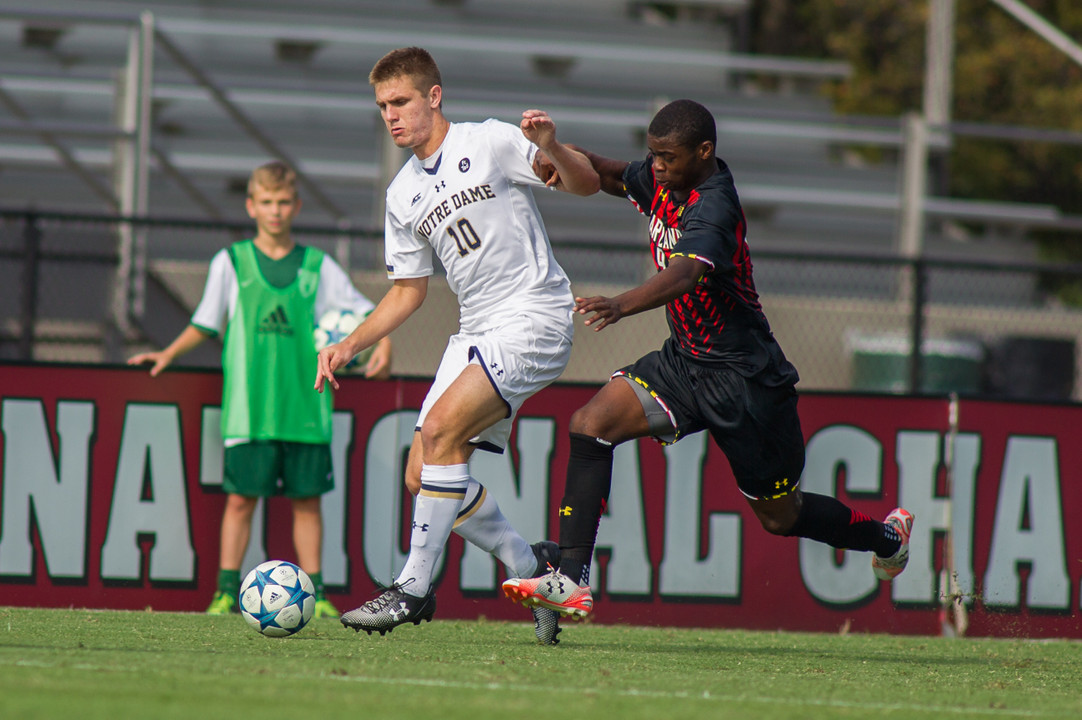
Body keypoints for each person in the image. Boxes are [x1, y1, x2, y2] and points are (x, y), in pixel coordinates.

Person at [501, 99, 914, 625]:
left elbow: (685, 274)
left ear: (704, 151)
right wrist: (552, 148)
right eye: (652, 156)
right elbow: (604, 171)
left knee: (780, 517)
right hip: (684, 364)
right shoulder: (663, 178)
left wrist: (620, 304)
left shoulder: (714, 204)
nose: (656, 167)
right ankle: (571, 580)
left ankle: (887, 537)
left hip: (746, 383)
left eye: (667, 157)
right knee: (590, 425)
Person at [313, 47, 599, 642]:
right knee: (422, 474)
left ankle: (411, 590)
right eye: (382, 106)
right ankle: (536, 572)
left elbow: (585, 184)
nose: (390, 116)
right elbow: (407, 292)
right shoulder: (402, 194)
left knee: (441, 431)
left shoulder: (490, 141)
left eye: (400, 102)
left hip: (535, 315)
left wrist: (550, 146)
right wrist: (350, 344)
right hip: (474, 330)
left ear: (434, 96)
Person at [129, 160, 392, 618]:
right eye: (267, 202)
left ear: (297, 205)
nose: (276, 211)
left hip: (306, 407)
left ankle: (319, 594)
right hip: (248, 410)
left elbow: (363, 314)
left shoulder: (318, 266)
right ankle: (226, 591)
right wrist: (168, 354)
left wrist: (383, 339)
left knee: (307, 504)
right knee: (239, 500)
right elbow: (205, 323)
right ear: (251, 206)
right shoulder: (231, 262)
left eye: (284, 201)